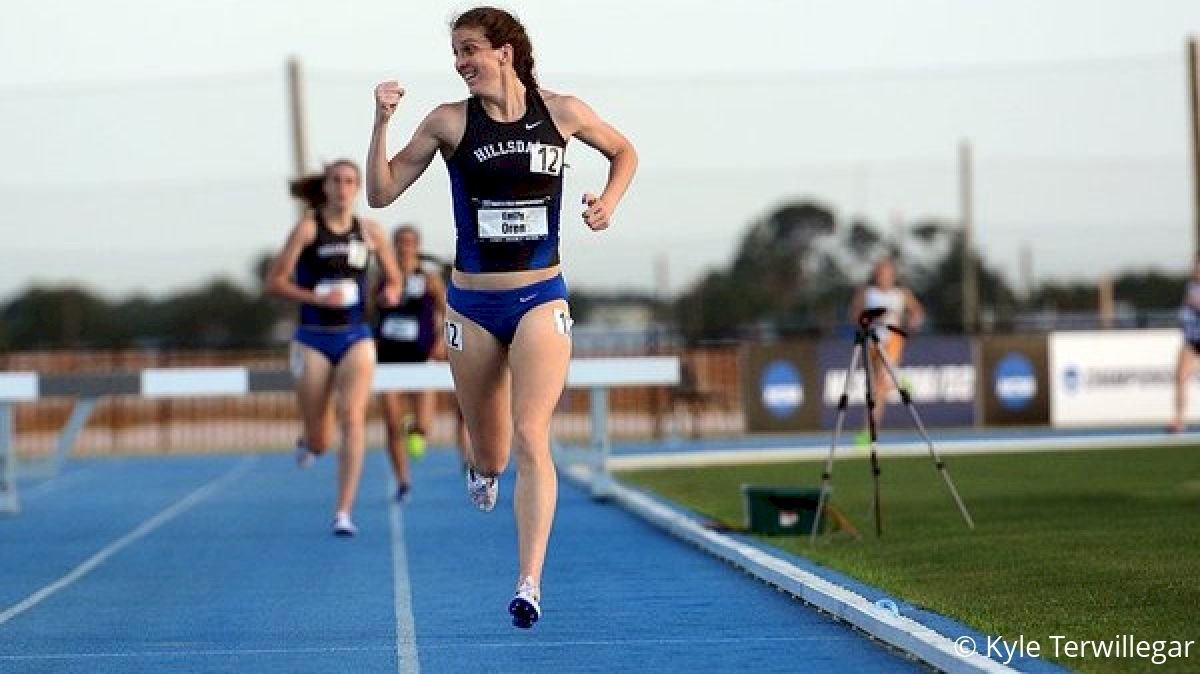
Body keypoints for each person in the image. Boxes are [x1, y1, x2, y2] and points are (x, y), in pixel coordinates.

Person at [366, 6, 637, 628]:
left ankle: (529, 581)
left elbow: (623, 152)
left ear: (505, 52)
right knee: (491, 454)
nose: (461, 64)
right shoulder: (449, 122)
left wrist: (608, 204)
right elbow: (381, 193)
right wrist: (381, 122)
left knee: (530, 435)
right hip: (473, 306)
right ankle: (481, 468)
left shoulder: (561, 112)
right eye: (456, 54)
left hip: (542, 297)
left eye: (470, 50)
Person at [266, 159, 402, 537]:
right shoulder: (308, 229)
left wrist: (391, 291)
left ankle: (344, 510)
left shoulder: (371, 232)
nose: (342, 188)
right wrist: (315, 297)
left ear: (357, 189)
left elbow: (394, 279)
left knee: (353, 418)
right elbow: (274, 282)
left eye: (349, 181)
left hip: (355, 335)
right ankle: (310, 439)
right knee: (321, 439)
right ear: (325, 187)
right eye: (336, 181)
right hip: (313, 336)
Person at [373, 224, 448, 502]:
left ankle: (413, 427)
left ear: (416, 246)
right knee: (391, 424)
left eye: (409, 242)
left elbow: (448, 311)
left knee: (424, 427)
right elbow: (368, 313)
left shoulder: (429, 279)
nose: (405, 247)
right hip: (389, 357)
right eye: (400, 242)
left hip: (421, 356)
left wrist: (441, 341)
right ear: (393, 246)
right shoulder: (382, 278)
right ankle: (403, 480)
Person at [849, 257, 925, 431]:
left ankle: (869, 430)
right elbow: (855, 315)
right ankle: (896, 380)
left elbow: (917, 313)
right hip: (871, 342)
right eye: (880, 273)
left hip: (892, 341)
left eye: (887, 273)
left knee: (882, 384)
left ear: (893, 275)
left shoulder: (901, 294)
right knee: (874, 386)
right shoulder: (867, 293)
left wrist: (911, 323)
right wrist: (872, 317)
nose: (883, 276)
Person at [1170, 257, 1200, 433]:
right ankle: (1179, 420)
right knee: (1181, 377)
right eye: (1196, 267)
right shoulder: (1190, 287)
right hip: (1192, 339)